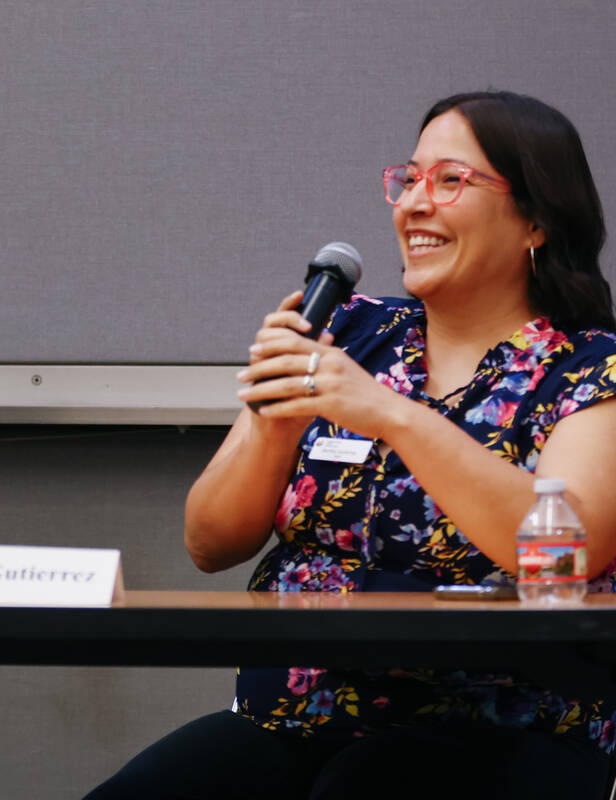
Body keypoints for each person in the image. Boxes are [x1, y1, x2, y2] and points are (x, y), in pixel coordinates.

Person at [85, 91, 616, 799]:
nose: (414, 204)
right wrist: (275, 416)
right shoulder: (353, 333)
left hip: (505, 726)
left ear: (537, 221)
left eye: (450, 180)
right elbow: (210, 542)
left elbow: (566, 552)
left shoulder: (590, 367)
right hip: (295, 716)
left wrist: (391, 414)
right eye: (410, 178)